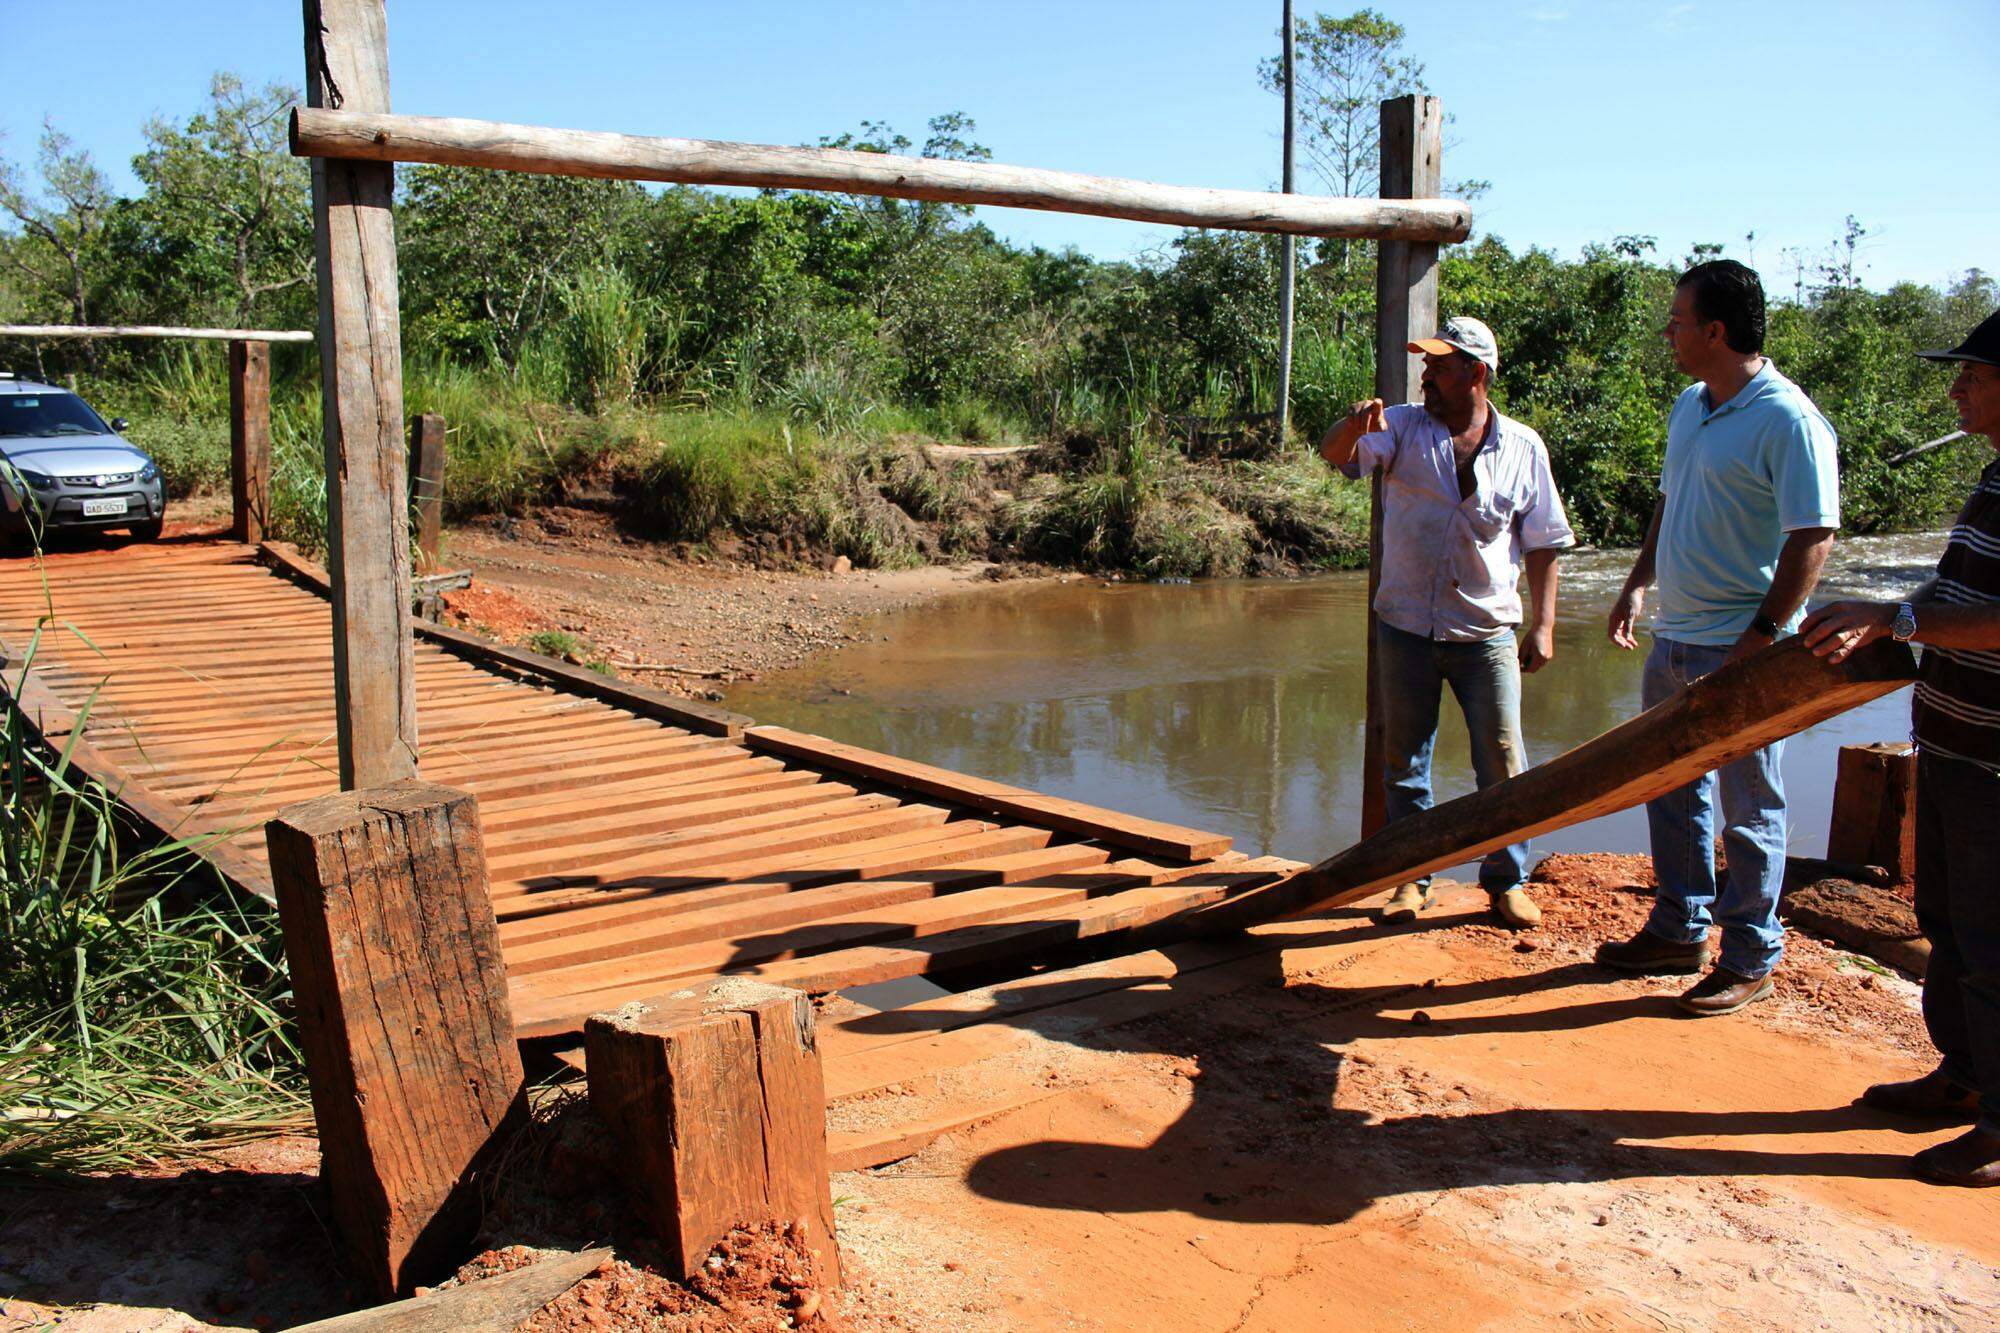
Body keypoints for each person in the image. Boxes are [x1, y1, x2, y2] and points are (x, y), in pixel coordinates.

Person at [1599, 260, 1839, 1015]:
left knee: (1751, 804)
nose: (1667, 333)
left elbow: (1813, 537)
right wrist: (1638, 580)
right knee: (1669, 788)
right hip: (1675, 638)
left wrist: (1761, 639)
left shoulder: (1789, 418)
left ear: (1714, 330)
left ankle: (1749, 956)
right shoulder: (1690, 404)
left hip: (1743, 646)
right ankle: (1678, 927)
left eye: (1677, 321)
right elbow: (1669, 501)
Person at [1800, 308, 2000, 1187]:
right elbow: (1960, 586)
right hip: (1954, 743)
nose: (1956, 387)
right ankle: (1964, 1078)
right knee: (1949, 923)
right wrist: (1884, 612)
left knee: (1995, 941)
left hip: (1996, 763)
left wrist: (1901, 617)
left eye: (1973, 375)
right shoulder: (1996, 480)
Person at [1320, 316, 1573, 930]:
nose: (1426, 375)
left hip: (1486, 632)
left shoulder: (1523, 447)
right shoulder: (1400, 425)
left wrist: (1544, 626)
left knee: (1503, 760)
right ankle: (1410, 881)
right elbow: (1336, 457)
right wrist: (1353, 425)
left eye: (1440, 365)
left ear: (1476, 374)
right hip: (1405, 624)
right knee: (1405, 762)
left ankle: (1507, 879)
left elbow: (1542, 542)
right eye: (1426, 364)